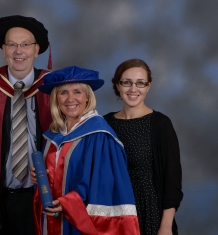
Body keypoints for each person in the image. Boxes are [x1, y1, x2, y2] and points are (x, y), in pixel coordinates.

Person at [32, 66, 140, 235]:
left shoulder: (99, 135)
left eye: (77, 92)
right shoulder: (53, 135)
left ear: (88, 97)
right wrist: (40, 178)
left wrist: (68, 203)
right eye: (63, 93)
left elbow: (104, 185)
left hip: (80, 224)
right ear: (55, 98)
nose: (70, 99)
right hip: (52, 219)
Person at [0, 15, 52, 235]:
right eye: (12, 45)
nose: (19, 51)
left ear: (36, 50)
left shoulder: (54, 87)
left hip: (41, 196)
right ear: (3, 50)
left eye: (25, 45)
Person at [103, 58, 183, 235]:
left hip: (150, 211)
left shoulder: (160, 124)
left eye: (140, 83)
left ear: (149, 86)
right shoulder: (104, 124)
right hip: (113, 211)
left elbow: (172, 181)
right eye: (127, 82)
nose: (133, 89)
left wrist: (166, 226)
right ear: (117, 85)